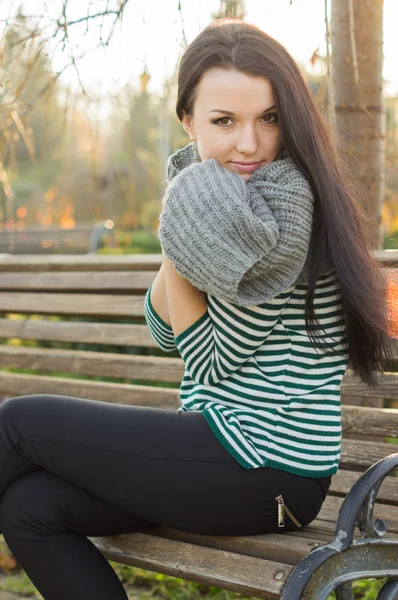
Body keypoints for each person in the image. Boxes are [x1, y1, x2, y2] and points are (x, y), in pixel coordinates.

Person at [0, 18, 393, 600]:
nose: (249, 142)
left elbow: (209, 359)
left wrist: (181, 237)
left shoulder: (281, 221)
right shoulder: (221, 203)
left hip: (266, 469)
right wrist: (185, 229)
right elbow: (164, 329)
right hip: (228, 454)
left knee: (18, 423)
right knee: (32, 508)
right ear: (188, 121)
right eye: (224, 121)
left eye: (269, 117)